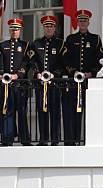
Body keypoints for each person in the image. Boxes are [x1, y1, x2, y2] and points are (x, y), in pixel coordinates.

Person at [61, 9, 103, 146]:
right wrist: (73, 72)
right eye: (80, 20)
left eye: (85, 20)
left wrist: (92, 73)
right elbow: (65, 60)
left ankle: (89, 140)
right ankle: (72, 140)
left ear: (88, 22)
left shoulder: (95, 39)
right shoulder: (70, 39)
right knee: (72, 112)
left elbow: (100, 60)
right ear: (77, 22)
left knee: (90, 112)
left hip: (89, 82)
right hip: (74, 82)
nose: (83, 23)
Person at [28, 15, 64, 146]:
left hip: (53, 84)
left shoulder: (60, 44)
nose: (49, 29)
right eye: (47, 26)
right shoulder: (36, 43)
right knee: (42, 110)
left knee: (55, 110)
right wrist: (37, 73)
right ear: (43, 28)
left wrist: (54, 74)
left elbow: (63, 64)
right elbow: (32, 61)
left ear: (55, 28)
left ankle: (55, 139)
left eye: (51, 26)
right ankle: (43, 138)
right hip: (40, 84)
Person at [0, 18, 31, 146]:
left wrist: (18, 74)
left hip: (20, 85)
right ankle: (7, 140)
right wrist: (1, 74)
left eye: (16, 29)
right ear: (10, 30)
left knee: (22, 112)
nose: (14, 31)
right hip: (6, 85)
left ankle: (25, 140)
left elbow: (27, 62)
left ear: (20, 30)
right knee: (7, 112)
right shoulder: (3, 45)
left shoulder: (25, 45)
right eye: (12, 29)